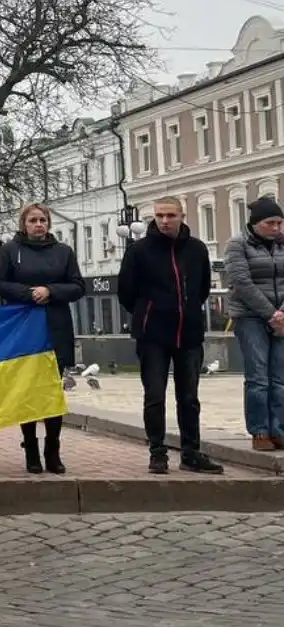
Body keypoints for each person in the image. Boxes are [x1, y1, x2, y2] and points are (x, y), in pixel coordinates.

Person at [119, 196, 223, 475]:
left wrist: (187, 310)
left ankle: (191, 452)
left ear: (182, 216)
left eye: (171, 215)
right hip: (152, 333)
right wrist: (149, 311)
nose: (164, 221)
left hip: (188, 332)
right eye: (160, 215)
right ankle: (158, 452)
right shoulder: (139, 251)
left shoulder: (197, 249)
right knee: (155, 395)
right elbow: (126, 292)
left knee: (189, 396)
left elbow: (202, 289)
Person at [0, 204, 84, 474]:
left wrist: (50, 290)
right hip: (23, 325)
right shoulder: (10, 250)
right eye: (33, 220)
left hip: (56, 325)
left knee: (52, 390)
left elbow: (78, 286)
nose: (38, 224)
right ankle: (30, 447)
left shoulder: (63, 252)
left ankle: (52, 449)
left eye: (43, 220)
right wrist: (27, 293)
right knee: (28, 391)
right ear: (24, 224)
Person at [223, 196, 284, 451]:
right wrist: (272, 315)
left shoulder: (282, 244)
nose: (277, 228)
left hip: (281, 317)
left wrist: (282, 313)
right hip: (250, 317)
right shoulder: (237, 245)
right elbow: (242, 283)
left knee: (280, 377)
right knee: (258, 376)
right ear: (256, 223)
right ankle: (259, 431)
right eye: (271, 223)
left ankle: (278, 429)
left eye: (280, 223)